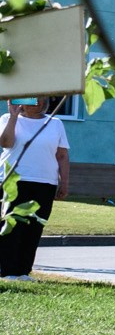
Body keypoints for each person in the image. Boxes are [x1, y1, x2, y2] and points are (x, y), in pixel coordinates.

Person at [0, 98, 69, 276]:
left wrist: (64, 182)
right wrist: (14, 117)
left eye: (42, 98)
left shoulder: (55, 123)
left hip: (45, 183)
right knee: (12, 226)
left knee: (34, 227)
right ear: (21, 100)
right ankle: (7, 271)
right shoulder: (7, 118)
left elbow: (62, 155)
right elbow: (6, 143)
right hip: (14, 180)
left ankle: (23, 271)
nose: (38, 101)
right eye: (33, 98)